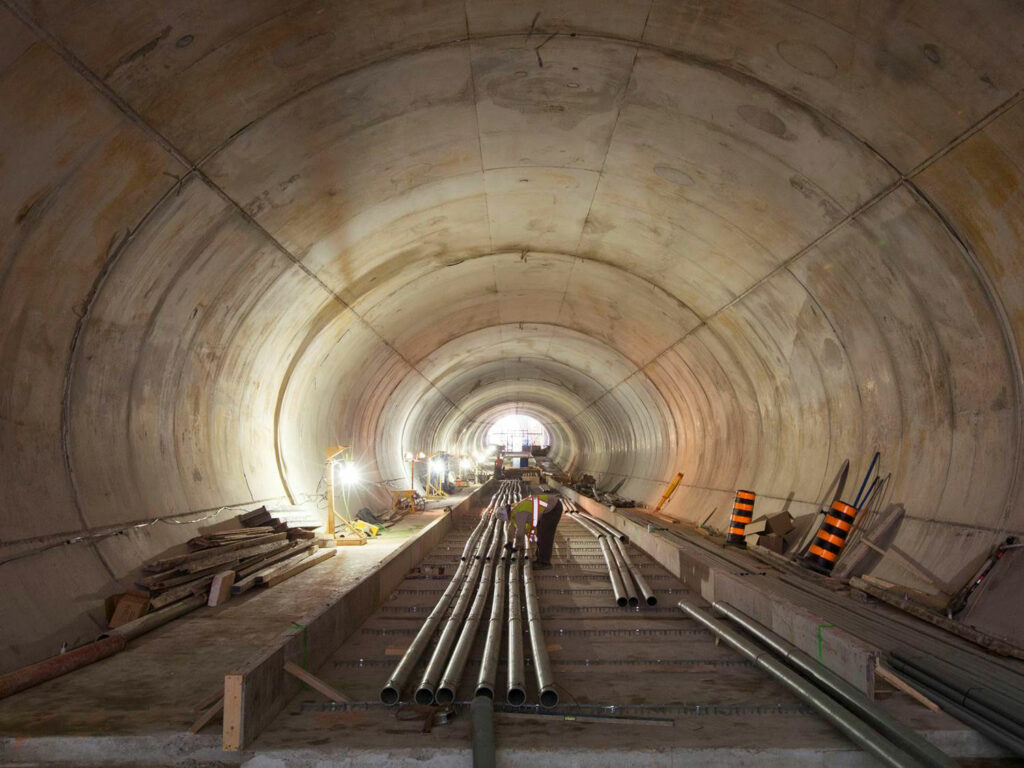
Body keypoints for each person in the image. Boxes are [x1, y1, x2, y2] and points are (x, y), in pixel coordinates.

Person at [508, 485, 563, 569]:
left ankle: (545, 563)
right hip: (549, 507)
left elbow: (520, 532)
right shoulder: (514, 509)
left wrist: (517, 546)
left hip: (553, 508)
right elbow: (511, 528)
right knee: (540, 534)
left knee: (544, 536)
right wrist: (509, 542)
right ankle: (540, 559)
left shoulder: (519, 513)